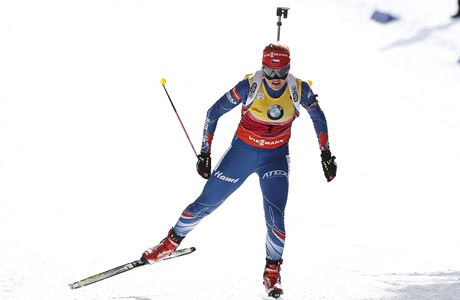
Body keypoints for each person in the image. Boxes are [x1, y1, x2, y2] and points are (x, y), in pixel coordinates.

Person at [141, 43, 337, 298]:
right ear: (262, 68)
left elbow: (318, 117)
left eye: (281, 72)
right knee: (205, 203)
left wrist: (326, 154)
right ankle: (169, 244)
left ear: (289, 68)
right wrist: (205, 153)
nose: (276, 79)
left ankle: (272, 273)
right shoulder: (249, 87)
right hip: (241, 154)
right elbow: (213, 113)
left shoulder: (299, 89)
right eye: (270, 72)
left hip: (275, 159)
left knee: (276, 219)